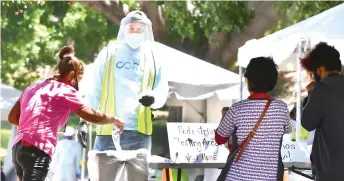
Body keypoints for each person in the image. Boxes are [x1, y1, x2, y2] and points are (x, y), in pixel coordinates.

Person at [7, 45, 124, 181]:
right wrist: (114, 119)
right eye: (78, 80)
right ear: (71, 75)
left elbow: (12, 117)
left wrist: (34, 126)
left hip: (19, 148)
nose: (77, 85)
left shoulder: (33, 86)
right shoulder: (65, 90)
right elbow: (92, 116)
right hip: (37, 148)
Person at [78, 11, 169, 151]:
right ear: (124, 29)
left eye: (139, 29)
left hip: (140, 135)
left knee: (137, 174)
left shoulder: (154, 58)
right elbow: (94, 90)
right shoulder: (108, 53)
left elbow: (162, 92)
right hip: (107, 132)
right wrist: (84, 121)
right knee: (104, 173)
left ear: (145, 31)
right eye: (131, 28)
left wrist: (153, 98)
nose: (135, 32)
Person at [215, 57, 291, 181]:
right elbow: (286, 134)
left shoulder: (237, 109)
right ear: (273, 80)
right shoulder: (281, 108)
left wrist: (224, 116)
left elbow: (219, 138)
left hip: (237, 176)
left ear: (247, 79)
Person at [300, 42, 344, 181]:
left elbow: (308, 123)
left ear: (321, 68)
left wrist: (310, 95)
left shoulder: (321, 89)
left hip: (331, 169)